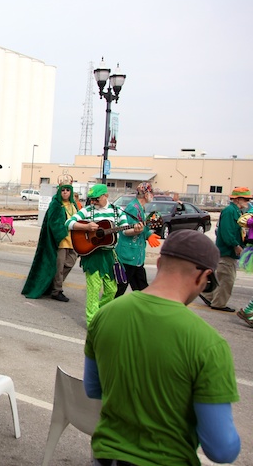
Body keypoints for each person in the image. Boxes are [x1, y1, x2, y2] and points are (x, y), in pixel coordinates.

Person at [84, 230, 240, 466]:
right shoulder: (209, 344)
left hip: (106, 457)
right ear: (204, 276)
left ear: (158, 263)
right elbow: (221, 450)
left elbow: (93, 389)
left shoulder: (104, 316)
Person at [65, 184, 141, 325]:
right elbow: (68, 223)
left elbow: (125, 231)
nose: (93, 202)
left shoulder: (118, 212)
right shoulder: (88, 210)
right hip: (92, 255)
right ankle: (92, 322)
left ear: (106, 196)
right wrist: (86, 226)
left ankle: (98, 313)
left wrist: (136, 230)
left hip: (109, 255)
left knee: (112, 290)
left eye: (96, 199)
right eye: (91, 199)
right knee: (94, 290)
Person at [21, 176, 78, 302]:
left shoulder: (73, 205)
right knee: (58, 267)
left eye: (67, 190)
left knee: (70, 262)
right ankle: (57, 290)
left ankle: (52, 285)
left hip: (73, 241)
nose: (65, 192)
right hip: (61, 241)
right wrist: (62, 232)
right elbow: (53, 223)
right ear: (59, 191)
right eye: (63, 190)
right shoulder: (56, 205)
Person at [199, 186, 250, 313]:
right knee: (227, 279)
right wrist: (235, 245)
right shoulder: (229, 211)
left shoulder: (237, 212)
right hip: (227, 251)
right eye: (246, 199)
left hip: (228, 251)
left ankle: (209, 296)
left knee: (221, 277)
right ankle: (218, 303)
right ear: (238, 199)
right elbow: (226, 232)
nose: (248, 202)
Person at [115, 182, 161, 297]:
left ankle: (145, 310)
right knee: (119, 289)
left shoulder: (140, 207)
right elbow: (125, 230)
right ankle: (107, 311)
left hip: (137, 257)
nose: (152, 196)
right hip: (128, 256)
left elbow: (141, 226)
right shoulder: (133, 208)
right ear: (146, 194)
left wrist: (148, 234)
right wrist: (136, 231)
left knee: (142, 289)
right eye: (151, 193)